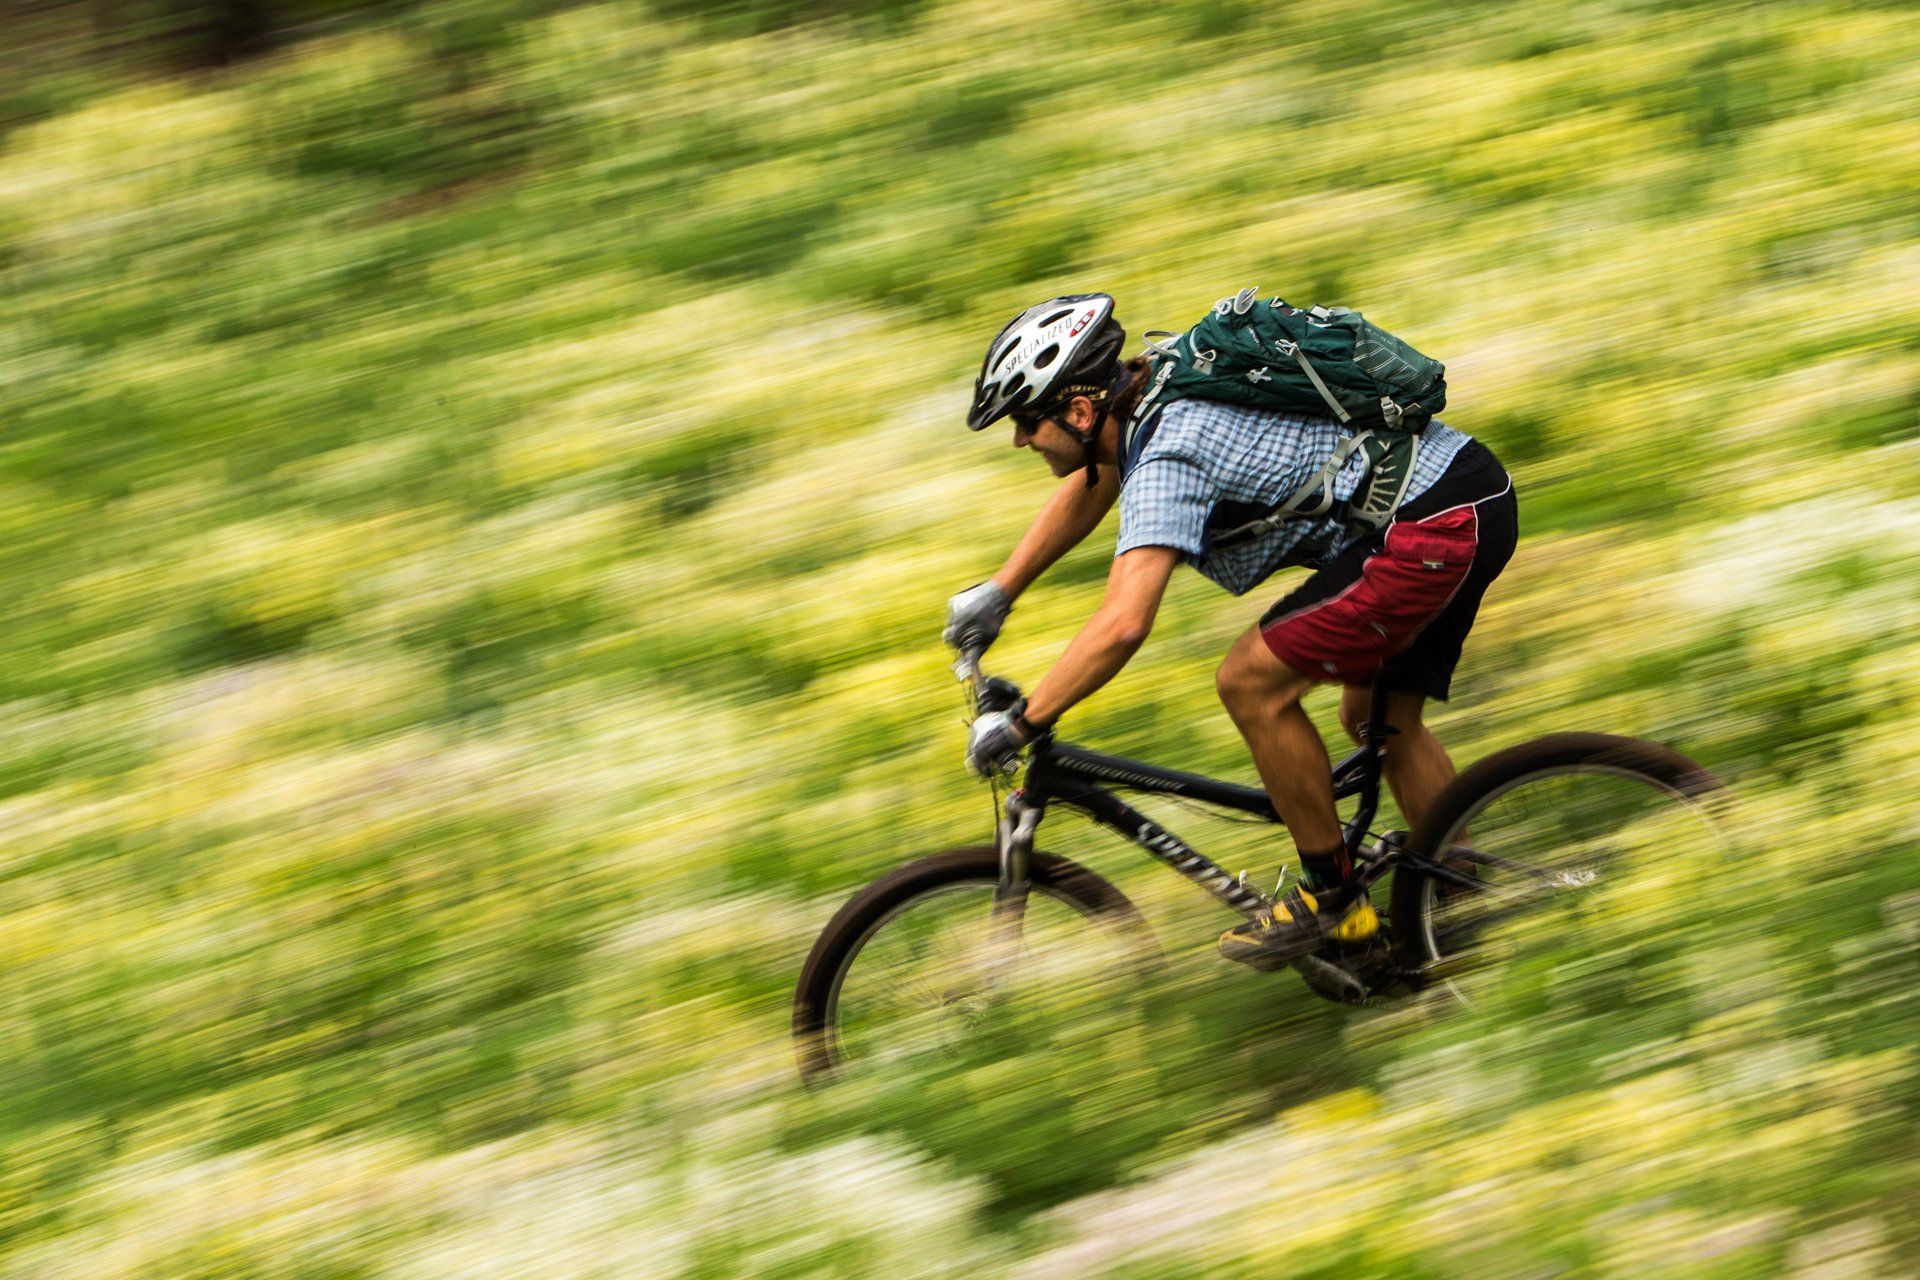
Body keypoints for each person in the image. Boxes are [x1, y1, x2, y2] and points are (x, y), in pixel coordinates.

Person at [945, 292, 1518, 967]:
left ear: (1077, 410)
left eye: (1026, 423)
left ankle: (1335, 904)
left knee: (1250, 683)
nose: (1018, 440)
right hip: (1467, 493)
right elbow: (1100, 478)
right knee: (1377, 720)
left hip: (1431, 529)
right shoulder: (1150, 386)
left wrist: (1023, 725)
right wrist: (1002, 588)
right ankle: (1463, 897)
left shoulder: (1168, 457)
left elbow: (1124, 623)